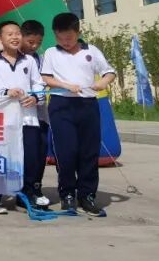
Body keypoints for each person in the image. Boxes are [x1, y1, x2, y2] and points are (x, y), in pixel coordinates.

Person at [40, 12, 116, 217]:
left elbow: (109, 72)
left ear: (78, 33)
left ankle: (87, 195)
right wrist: (65, 85)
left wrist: (103, 82)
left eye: (69, 38)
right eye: (60, 38)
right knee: (66, 152)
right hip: (61, 105)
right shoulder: (51, 53)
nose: (65, 42)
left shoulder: (91, 51)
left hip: (88, 105)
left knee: (88, 152)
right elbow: (46, 77)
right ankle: (67, 194)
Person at [0, 21, 44, 215]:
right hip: (3, 119)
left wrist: (35, 98)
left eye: (17, 33)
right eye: (9, 34)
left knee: (30, 157)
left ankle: (26, 195)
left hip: (27, 117)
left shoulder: (29, 61)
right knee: (1, 156)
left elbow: (39, 84)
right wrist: (6, 91)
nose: (15, 37)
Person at [19, 19, 51, 207]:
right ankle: (22, 190)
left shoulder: (42, 60)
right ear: (21, 37)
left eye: (38, 42)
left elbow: (45, 83)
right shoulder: (12, 59)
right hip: (20, 116)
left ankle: (35, 187)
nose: (34, 46)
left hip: (40, 114)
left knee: (40, 152)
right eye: (31, 42)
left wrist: (38, 97)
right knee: (25, 154)